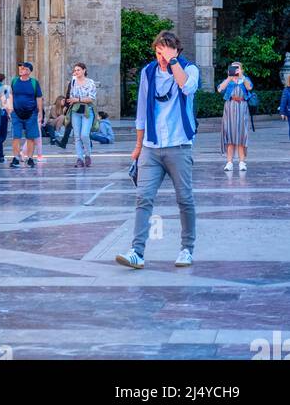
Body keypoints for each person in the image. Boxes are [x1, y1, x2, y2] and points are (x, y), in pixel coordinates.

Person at [116, 29, 199, 270]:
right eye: (157, 50)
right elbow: (141, 111)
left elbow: (187, 88)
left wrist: (173, 62)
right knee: (143, 198)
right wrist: (138, 146)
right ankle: (137, 252)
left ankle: (186, 249)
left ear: (175, 50)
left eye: (165, 50)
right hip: (151, 148)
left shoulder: (189, 70)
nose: (160, 55)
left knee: (185, 199)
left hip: (178, 146)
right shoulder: (148, 72)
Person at [218, 61, 253, 172]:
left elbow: (249, 87)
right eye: (233, 68)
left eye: (237, 68)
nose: (235, 70)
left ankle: (242, 162)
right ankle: (229, 162)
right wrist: (229, 77)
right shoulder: (229, 80)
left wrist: (241, 76)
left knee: (242, 134)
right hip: (230, 107)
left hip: (242, 107)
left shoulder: (244, 79)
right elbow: (219, 89)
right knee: (229, 134)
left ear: (241, 69)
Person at [7, 61, 43, 168]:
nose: (20, 70)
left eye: (23, 68)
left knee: (30, 137)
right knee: (16, 136)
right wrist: (10, 108)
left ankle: (30, 158)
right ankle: (16, 158)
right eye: (20, 68)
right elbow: (10, 94)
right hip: (16, 113)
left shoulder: (34, 83)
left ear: (28, 71)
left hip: (31, 113)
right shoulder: (14, 81)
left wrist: (40, 111)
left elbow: (39, 97)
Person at [68, 62, 97, 168]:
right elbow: (71, 95)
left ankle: (88, 155)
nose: (76, 72)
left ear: (84, 70)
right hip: (76, 110)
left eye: (78, 70)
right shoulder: (73, 82)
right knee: (76, 136)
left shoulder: (90, 82)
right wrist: (72, 100)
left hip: (87, 110)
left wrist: (78, 99)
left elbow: (91, 98)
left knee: (84, 134)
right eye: (75, 70)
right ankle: (79, 158)